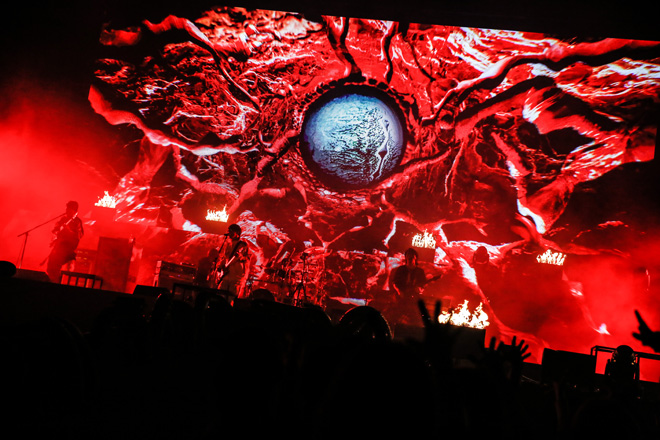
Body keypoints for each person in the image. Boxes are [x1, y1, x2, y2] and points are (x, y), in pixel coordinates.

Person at [211, 223, 250, 303]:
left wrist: (227, 265)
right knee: (221, 294)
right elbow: (226, 257)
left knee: (231, 297)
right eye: (229, 231)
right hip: (227, 274)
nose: (229, 233)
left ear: (237, 232)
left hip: (236, 275)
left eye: (231, 231)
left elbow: (237, 257)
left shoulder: (242, 245)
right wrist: (220, 266)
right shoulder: (228, 245)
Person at [46, 201, 84, 282]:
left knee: (56, 267)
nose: (66, 210)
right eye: (66, 209)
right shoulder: (63, 219)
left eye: (68, 209)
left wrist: (68, 230)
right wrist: (56, 233)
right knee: (50, 267)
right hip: (58, 247)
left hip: (67, 249)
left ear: (74, 210)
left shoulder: (77, 221)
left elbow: (78, 236)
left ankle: (55, 283)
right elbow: (56, 230)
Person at [388, 248, 427, 325]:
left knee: (415, 318)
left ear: (415, 258)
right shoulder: (401, 269)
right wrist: (399, 291)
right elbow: (395, 282)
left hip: (414, 299)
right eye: (408, 257)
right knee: (395, 316)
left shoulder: (420, 271)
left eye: (412, 257)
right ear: (406, 258)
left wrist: (419, 289)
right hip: (400, 298)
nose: (410, 259)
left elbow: (423, 285)